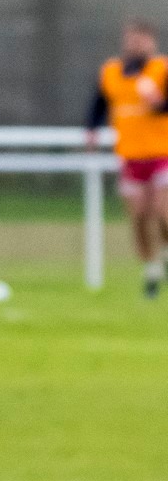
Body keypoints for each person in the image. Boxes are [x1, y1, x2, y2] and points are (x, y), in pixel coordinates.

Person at [86, 19, 168, 299]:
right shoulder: (111, 73)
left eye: (142, 39)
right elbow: (98, 104)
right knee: (139, 217)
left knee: (162, 210)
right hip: (130, 156)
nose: (137, 44)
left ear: (152, 43)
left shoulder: (161, 71)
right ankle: (151, 270)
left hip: (162, 154)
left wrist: (159, 105)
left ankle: (166, 252)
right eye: (132, 39)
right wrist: (91, 130)